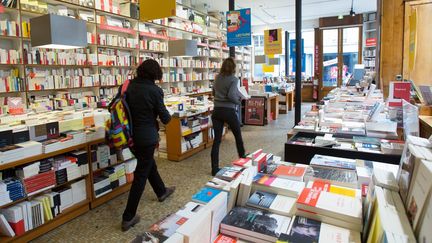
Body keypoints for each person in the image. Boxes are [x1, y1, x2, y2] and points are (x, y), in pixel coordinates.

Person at [121, 59, 175, 231]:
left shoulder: (129, 86)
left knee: (148, 164)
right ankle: (128, 217)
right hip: (147, 138)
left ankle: (161, 191)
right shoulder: (155, 91)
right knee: (141, 175)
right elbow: (165, 118)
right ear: (155, 74)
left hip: (130, 137)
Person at [211, 57, 246, 176]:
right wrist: (239, 101)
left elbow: (213, 93)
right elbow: (231, 95)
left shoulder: (217, 78)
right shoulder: (234, 79)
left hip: (216, 111)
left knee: (216, 140)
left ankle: (214, 168)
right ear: (233, 68)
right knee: (238, 136)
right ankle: (243, 161)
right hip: (228, 111)